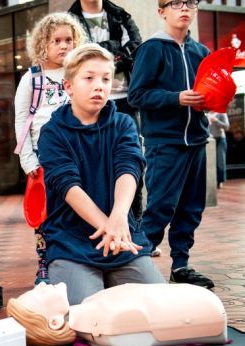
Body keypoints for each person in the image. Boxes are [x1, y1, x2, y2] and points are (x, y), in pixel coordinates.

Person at [38, 44, 165, 306]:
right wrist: (107, 226)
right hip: (71, 243)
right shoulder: (52, 132)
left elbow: (129, 168)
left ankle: (111, 278)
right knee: (89, 317)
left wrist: (118, 219)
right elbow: (67, 185)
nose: (100, 85)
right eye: (89, 77)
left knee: (161, 307)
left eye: (106, 79)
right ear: (68, 86)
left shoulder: (123, 124)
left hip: (122, 239)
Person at [128, 0, 213, 288]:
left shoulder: (201, 52)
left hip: (197, 141)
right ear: (162, 11)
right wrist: (175, 98)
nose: (184, 8)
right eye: (176, 3)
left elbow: (210, 95)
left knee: (191, 207)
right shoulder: (152, 49)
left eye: (190, 3)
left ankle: (181, 265)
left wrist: (213, 100)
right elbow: (136, 96)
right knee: (161, 207)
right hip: (165, 142)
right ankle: (135, 267)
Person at [14, 12, 86, 285]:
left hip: (78, 153)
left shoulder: (80, 74)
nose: (64, 45)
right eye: (56, 40)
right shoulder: (31, 79)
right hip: (44, 157)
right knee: (45, 215)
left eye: (69, 40)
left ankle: (77, 259)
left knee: (77, 208)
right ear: (43, 43)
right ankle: (45, 263)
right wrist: (28, 160)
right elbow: (22, 121)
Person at [68, 0, 144, 220]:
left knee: (131, 164)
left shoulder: (121, 16)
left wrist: (105, 55)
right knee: (93, 167)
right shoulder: (71, 19)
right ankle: (99, 226)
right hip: (86, 104)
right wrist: (112, 49)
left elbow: (135, 48)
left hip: (124, 103)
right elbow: (76, 58)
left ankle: (135, 226)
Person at [208, 111, 230, 188]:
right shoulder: (206, 114)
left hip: (220, 139)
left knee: (220, 161)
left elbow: (227, 126)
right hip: (210, 140)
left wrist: (217, 121)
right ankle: (210, 181)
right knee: (210, 162)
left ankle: (220, 181)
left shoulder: (221, 113)